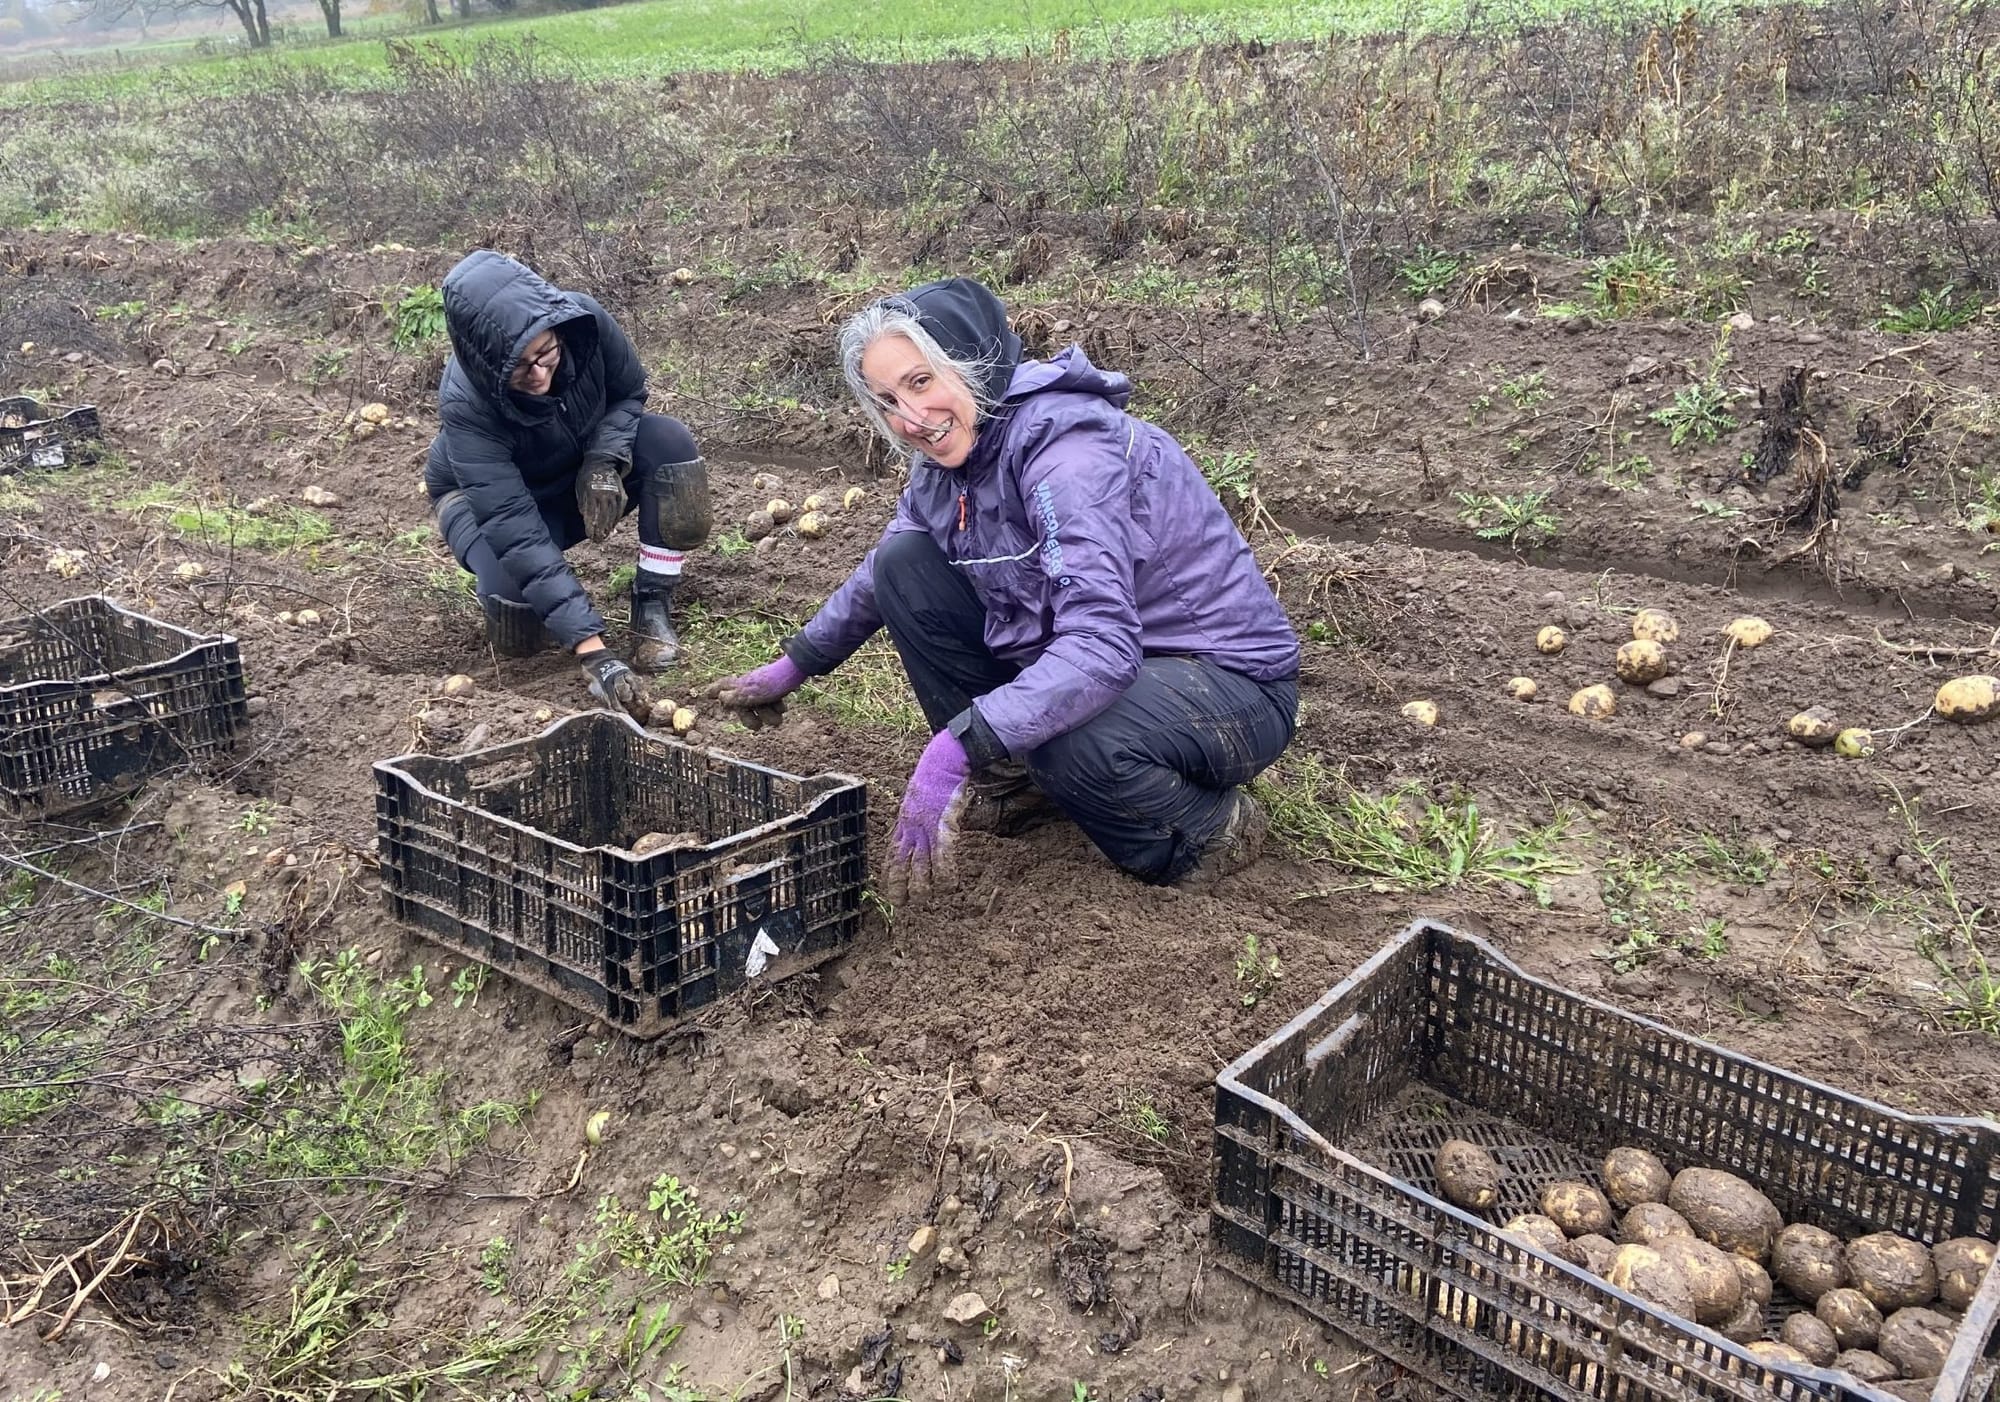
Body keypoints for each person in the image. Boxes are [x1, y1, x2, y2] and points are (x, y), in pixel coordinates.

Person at [705, 277, 1300, 901]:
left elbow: (1101, 645)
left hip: (1226, 684)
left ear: (974, 365)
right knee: (907, 564)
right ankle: (1020, 787)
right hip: (1112, 665)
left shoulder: (1066, 453)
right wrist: (798, 662)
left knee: (1072, 737)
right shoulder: (946, 464)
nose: (910, 419)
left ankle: (1209, 830)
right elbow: (887, 569)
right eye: (886, 400)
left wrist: (957, 746)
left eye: (921, 381)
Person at [424, 249, 710, 720]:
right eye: (520, 369)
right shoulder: (466, 404)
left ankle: (652, 603)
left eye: (546, 355)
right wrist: (594, 652)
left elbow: (629, 393)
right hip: (488, 503)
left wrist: (602, 461)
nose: (540, 375)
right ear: (486, 364)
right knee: (520, 631)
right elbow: (510, 522)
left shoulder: (585, 323)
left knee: (670, 445)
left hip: (573, 469)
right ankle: (535, 611)